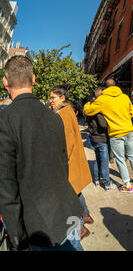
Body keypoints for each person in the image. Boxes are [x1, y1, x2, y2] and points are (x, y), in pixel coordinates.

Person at [0, 56, 84, 251]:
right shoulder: (55, 117)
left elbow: (6, 187)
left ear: (5, 82)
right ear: (34, 79)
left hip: (37, 225)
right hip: (67, 210)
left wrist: (18, 239)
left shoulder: (5, 120)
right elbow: (63, 165)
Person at [49, 85, 94, 240]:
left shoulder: (63, 114)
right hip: (72, 161)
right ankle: (86, 215)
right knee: (75, 190)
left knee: (69, 196)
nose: (50, 101)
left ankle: (80, 228)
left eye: (53, 98)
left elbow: (67, 143)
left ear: (62, 98)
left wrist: (58, 164)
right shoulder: (66, 111)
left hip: (68, 163)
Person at [84, 79, 133, 193]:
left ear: (105, 88)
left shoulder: (102, 99)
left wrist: (90, 102)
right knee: (132, 155)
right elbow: (131, 112)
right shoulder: (125, 97)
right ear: (115, 86)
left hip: (116, 133)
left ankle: (127, 185)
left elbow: (88, 111)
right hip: (128, 130)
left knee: (120, 159)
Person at [86, 87, 114, 191]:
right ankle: (107, 184)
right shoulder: (98, 109)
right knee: (104, 162)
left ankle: (97, 180)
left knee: (97, 160)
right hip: (102, 138)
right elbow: (103, 124)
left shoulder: (88, 108)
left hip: (93, 138)